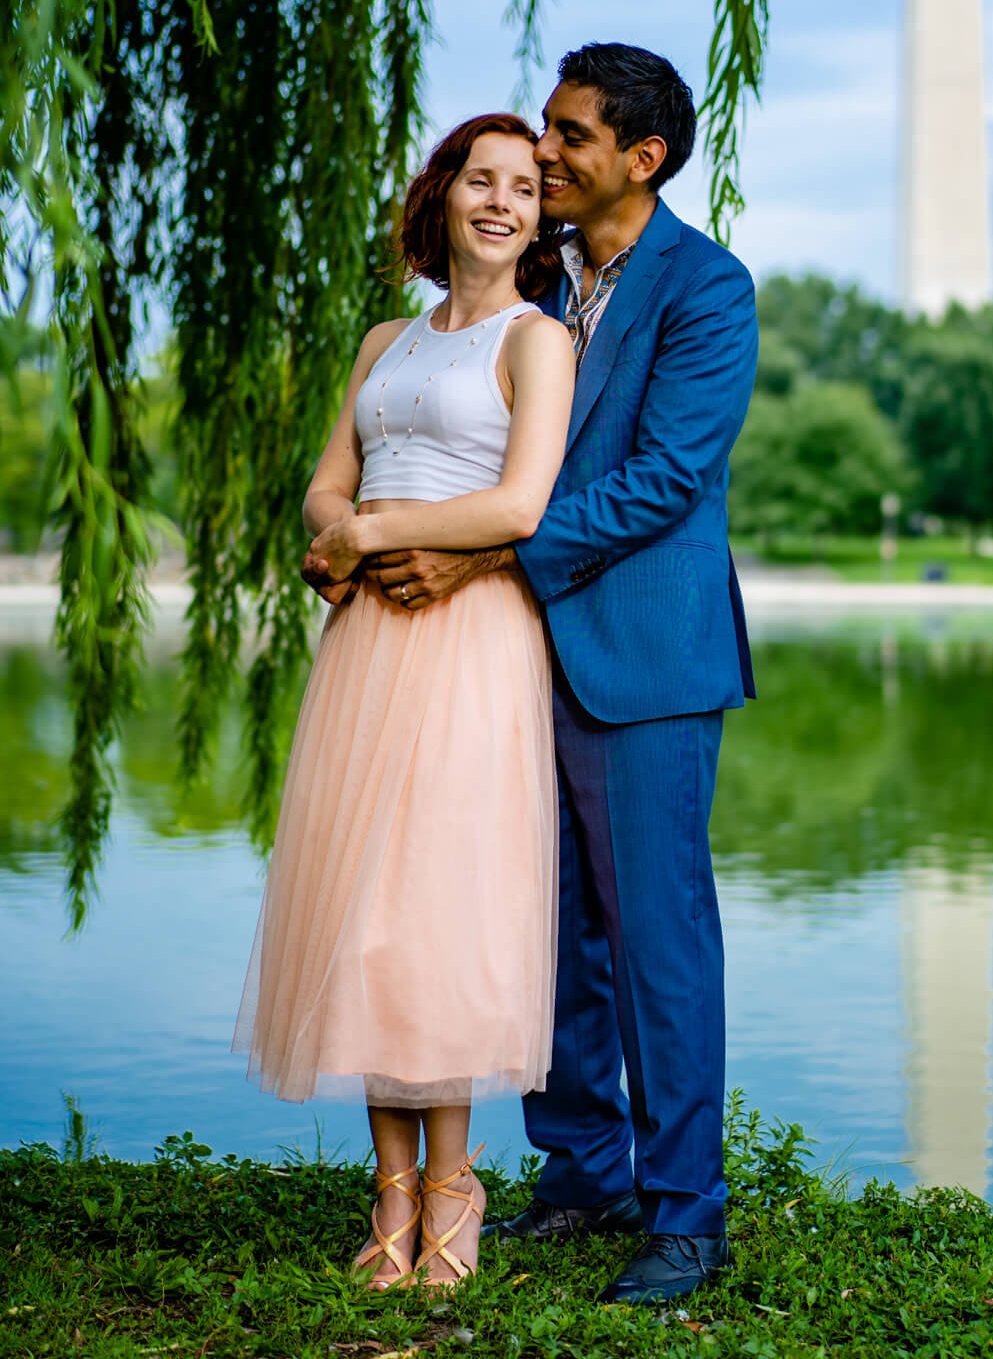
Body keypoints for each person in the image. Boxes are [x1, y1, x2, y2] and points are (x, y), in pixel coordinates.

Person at [362, 43, 759, 1307]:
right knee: (541, 933)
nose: (544, 155)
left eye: (571, 135)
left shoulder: (709, 289)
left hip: (643, 656)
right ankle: (581, 1169)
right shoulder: (540, 272)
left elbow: (664, 479)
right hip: (513, 663)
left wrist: (489, 562)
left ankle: (686, 1215)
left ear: (641, 158)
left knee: (657, 943)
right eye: (543, 127)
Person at [233, 113, 576, 1290]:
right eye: (481, 179)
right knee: (366, 906)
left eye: (526, 187)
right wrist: (341, 535)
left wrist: (377, 530)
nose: (502, 201)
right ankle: (389, 1187)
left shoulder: (539, 341)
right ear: (443, 197)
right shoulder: (386, 338)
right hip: (369, 636)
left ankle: (456, 1182)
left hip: (470, 636)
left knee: (443, 904)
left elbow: (521, 504)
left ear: (539, 217)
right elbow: (330, 480)